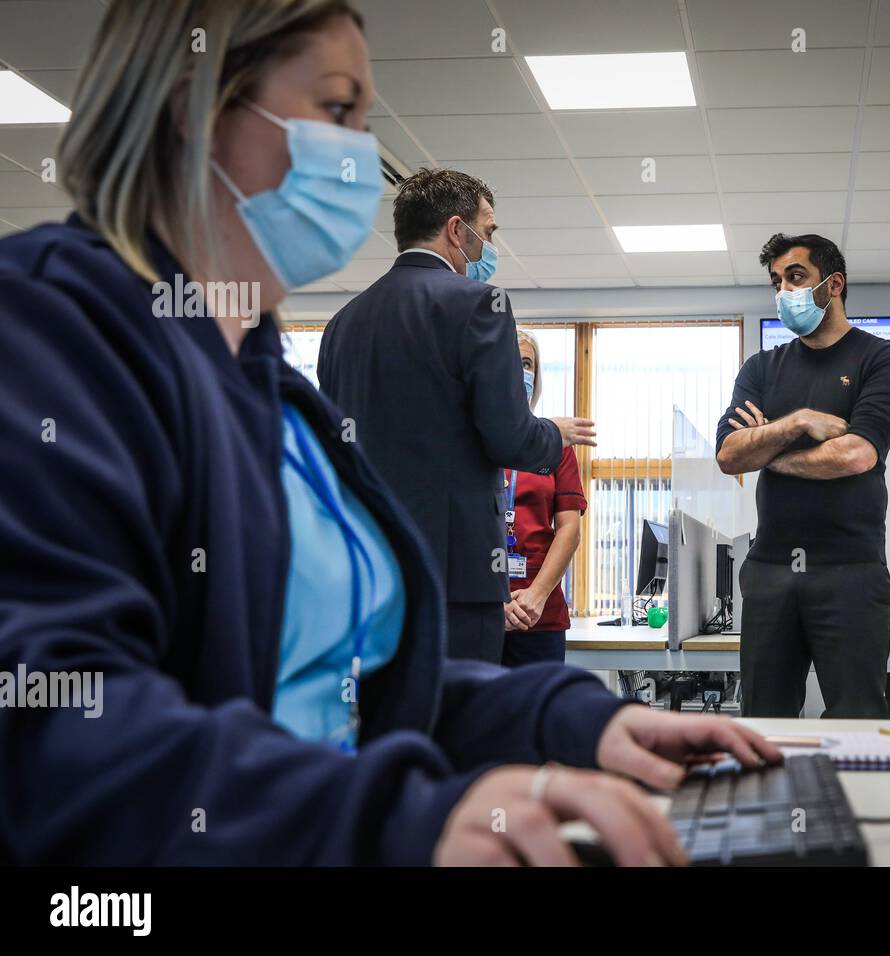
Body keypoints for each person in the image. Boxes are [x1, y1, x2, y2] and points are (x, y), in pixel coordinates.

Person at [0, 0, 780, 867]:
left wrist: (571, 716)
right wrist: (392, 817)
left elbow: (353, 690)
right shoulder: (43, 329)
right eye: (338, 111)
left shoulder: (274, 390)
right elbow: (52, 724)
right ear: (192, 112)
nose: (359, 156)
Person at [317, 167, 594, 665]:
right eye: (486, 232)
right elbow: (509, 438)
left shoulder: (342, 324)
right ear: (454, 230)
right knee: (465, 727)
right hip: (457, 577)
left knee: (389, 726)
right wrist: (553, 432)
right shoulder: (477, 304)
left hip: (368, 574)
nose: (489, 246)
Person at [715, 234, 890, 719]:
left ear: (833, 284)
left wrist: (768, 452)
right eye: (776, 282)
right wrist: (798, 422)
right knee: (764, 721)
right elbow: (728, 454)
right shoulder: (761, 368)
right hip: (769, 571)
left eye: (796, 277)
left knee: (857, 720)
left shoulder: (881, 360)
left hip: (851, 572)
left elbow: (855, 455)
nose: (783, 291)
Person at [502, 330, 586, 666]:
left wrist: (536, 596)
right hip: (481, 613)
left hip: (540, 614)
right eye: (513, 363)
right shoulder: (471, 442)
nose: (521, 371)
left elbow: (570, 529)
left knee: (539, 717)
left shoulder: (555, 445)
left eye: (527, 364)